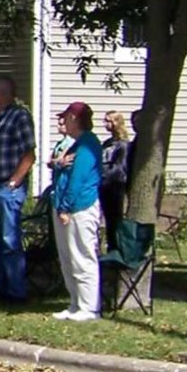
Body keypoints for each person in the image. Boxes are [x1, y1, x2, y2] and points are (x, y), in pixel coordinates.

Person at [0, 76, 36, 306]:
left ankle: (15, 291)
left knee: (9, 239)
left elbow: (29, 154)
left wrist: (14, 182)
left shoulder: (19, 116)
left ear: (3, 94)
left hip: (7, 187)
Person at [50, 102, 103, 322]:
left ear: (74, 118)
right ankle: (75, 303)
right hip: (64, 205)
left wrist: (66, 207)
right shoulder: (76, 144)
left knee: (82, 255)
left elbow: (78, 179)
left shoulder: (88, 145)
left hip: (79, 207)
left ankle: (89, 307)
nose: (62, 121)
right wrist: (59, 163)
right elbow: (63, 168)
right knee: (67, 257)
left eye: (65, 117)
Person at [98, 110, 131, 240]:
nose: (105, 124)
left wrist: (103, 177)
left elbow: (119, 168)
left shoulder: (122, 144)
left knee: (114, 218)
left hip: (115, 185)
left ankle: (116, 246)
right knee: (104, 217)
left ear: (116, 122)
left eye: (108, 121)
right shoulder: (107, 143)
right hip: (103, 185)